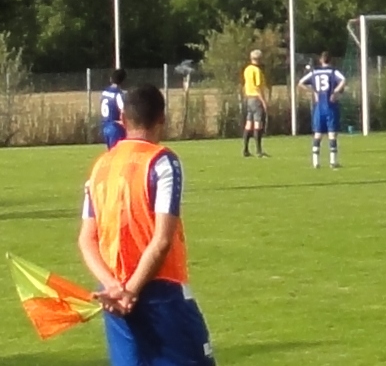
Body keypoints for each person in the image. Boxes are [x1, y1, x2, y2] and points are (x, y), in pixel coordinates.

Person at [77, 85, 215, 366]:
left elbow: (86, 240)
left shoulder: (101, 165)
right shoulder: (161, 161)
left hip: (113, 296)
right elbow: (162, 240)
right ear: (162, 118)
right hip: (159, 290)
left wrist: (113, 286)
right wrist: (131, 289)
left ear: (123, 119)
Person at [302, 51, 346, 169]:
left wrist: (313, 92)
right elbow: (343, 80)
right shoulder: (333, 71)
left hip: (319, 107)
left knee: (318, 134)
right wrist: (335, 91)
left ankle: (315, 162)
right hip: (330, 106)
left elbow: (301, 83)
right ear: (331, 60)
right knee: (332, 134)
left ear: (321, 60)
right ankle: (333, 161)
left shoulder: (314, 72)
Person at [241, 49, 268, 158]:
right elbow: (257, 87)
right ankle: (259, 151)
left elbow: (245, 85)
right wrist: (263, 101)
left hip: (248, 98)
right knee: (258, 123)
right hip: (256, 98)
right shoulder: (257, 71)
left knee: (248, 124)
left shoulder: (247, 69)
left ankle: (245, 149)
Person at [100, 69, 127, 150]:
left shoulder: (104, 92)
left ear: (111, 79)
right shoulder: (118, 94)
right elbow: (123, 111)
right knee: (118, 153)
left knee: (110, 154)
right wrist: (124, 123)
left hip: (105, 126)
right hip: (115, 128)